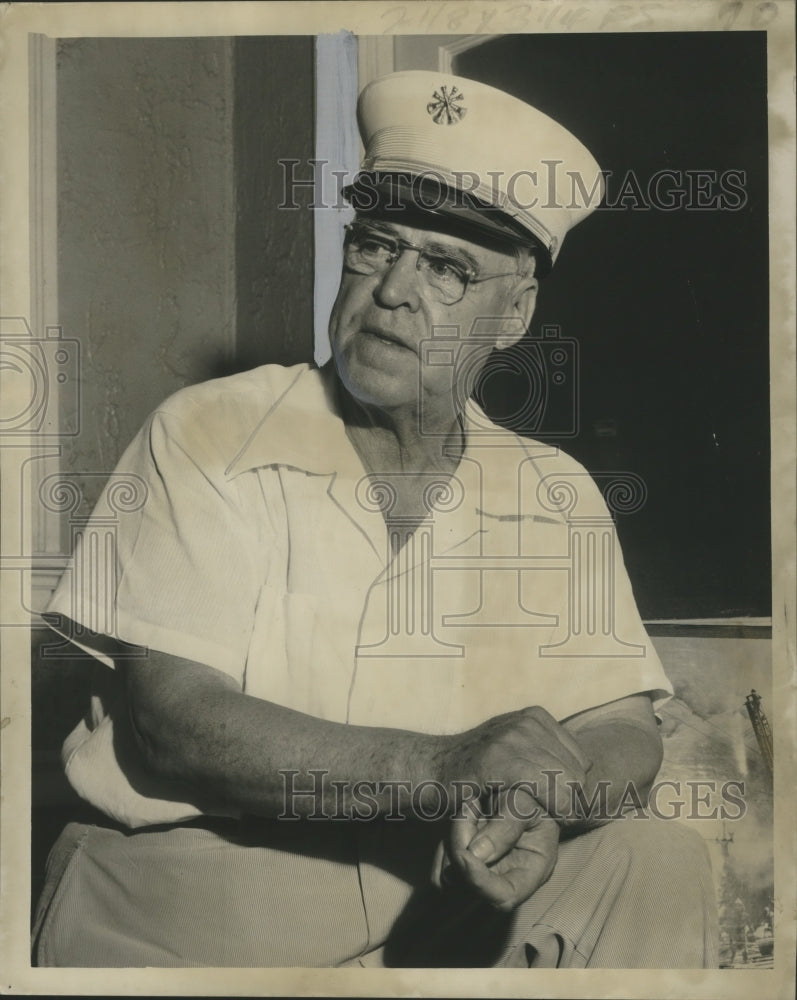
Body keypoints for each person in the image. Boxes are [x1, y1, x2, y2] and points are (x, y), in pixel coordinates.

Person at [32, 70, 718, 968]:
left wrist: (542, 797)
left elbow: (621, 728)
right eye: (374, 245)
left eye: (445, 266)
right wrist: (444, 770)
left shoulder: (551, 488)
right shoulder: (210, 429)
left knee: (653, 859)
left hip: (427, 886)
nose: (392, 289)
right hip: (194, 892)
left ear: (514, 313)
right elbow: (178, 722)